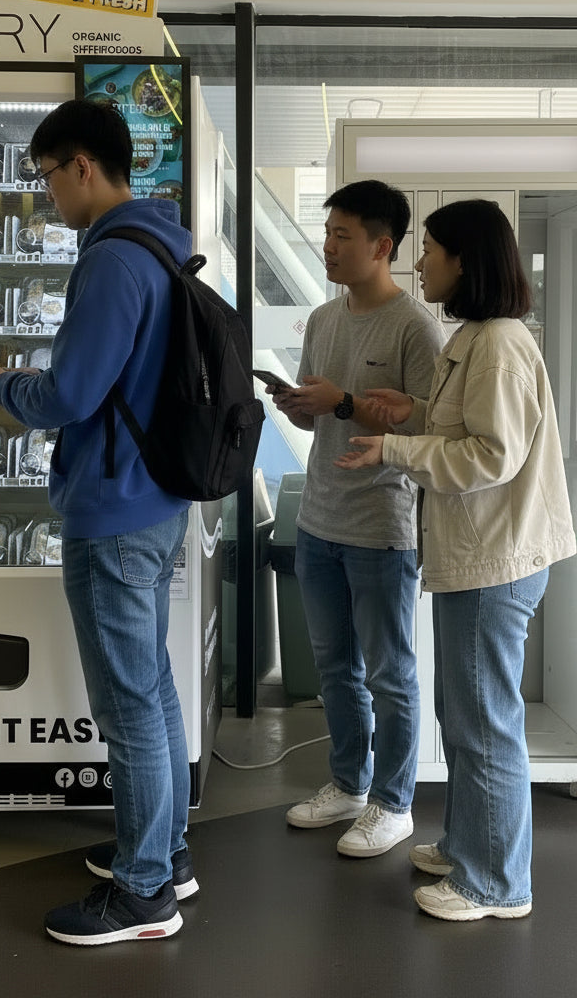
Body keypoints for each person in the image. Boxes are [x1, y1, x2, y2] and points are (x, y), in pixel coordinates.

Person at [0, 98, 196, 946]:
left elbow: (68, 395)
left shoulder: (110, 263)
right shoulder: (163, 247)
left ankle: (143, 897)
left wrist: (0, 386)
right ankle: (164, 856)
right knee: (154, 692)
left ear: (82, 168)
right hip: (156, 496)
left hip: (113, 506)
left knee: (129, 703)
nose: (48, 198)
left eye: (46, 178)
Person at [335, 198, 575, 920]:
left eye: (431, 250)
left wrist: (396, 446)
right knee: (463, 709)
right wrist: (411, 412)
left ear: (465, 260)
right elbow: (472, 429)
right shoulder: (479, 337)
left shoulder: (497, 342)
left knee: (482, 720)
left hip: (494, 559)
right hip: (484, 554)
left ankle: (494, 882)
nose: (420, 262)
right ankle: (473, 842)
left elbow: (492, 456)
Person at [273, 180, 446, 857]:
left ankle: (393, 803)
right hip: (319, 519)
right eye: (328, 235)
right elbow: (323, 408)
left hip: (383, 527)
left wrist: (342, 400)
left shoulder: (414, 327)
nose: (328, 248)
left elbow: (430, 424)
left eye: (343, 237)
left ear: (383, 246)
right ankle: (347, 784)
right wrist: (298, 405)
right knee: (333, 665)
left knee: (389, 674)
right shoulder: (322, 319)